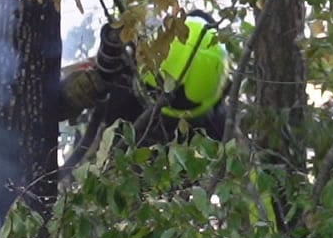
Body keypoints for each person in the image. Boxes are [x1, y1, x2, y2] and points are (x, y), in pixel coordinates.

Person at [57, 12, 232, 171]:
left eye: (174, 99)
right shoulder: (129, 67)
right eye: (158, 90)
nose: (162, 103)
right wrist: (70, 95)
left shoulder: (212, 133)